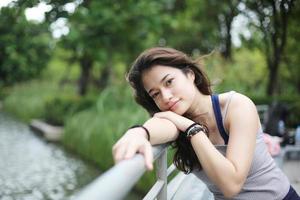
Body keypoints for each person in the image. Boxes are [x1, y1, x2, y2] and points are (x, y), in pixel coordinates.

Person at [112, 47, 300, 200]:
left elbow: (231, 185)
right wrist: (137, 133)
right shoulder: (175, 119)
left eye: (169, 82)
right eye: (155, 94)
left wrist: (191, 129)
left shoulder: (236, 106)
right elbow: (155, 125)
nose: (166, 96)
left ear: (190, 74)